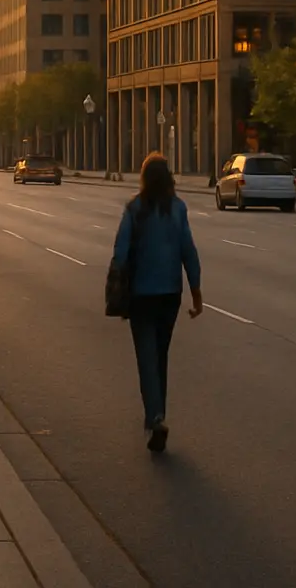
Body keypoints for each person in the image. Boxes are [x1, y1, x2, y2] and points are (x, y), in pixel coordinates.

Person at [110, 152, 203, 453]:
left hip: (141, 294)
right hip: (170, 295)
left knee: (146, 359)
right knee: (160, 355)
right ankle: (158, 413)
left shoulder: (135, 210)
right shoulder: (178, 209)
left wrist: (115, 286)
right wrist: (196, 292)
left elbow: (120, 252)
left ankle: (156, 416)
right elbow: (188, 250)